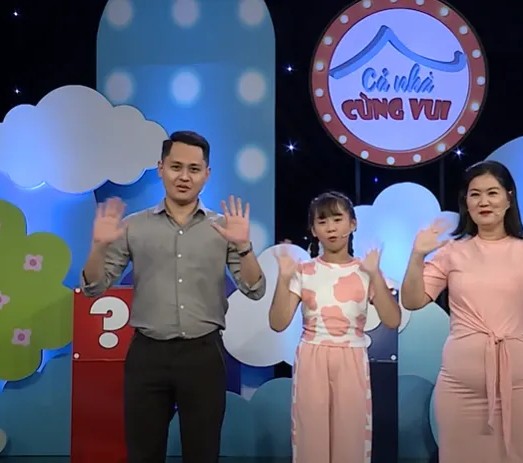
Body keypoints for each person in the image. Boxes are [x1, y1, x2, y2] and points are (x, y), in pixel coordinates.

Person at [80, 131, 266, 463]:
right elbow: (94, 287)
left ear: (207, 174)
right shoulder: (134, 226)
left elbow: (255, 289)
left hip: (203, 354)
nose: (184, 176)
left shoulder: (224, 228)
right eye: (176, 166)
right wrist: (98, 247)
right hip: (147, 354)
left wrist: (244, 246)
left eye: (194, 169)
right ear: (160, 168)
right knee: (143, 453)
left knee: (202, 453)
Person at [401, 161, 523, 463]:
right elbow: (412, 300)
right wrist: (417, 256)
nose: (484, 201)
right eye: (475, 194)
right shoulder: (453, 252)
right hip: (460, 388)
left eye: (492, 193)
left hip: (520, 385)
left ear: (509, 198)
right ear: (466, 203)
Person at [269, 192, 402, 463]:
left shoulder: (366, 270)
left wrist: (375, 275)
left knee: (351, 433)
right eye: (322, 221)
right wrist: (283, 280)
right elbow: (278, 323)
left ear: (352, 224)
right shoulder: (303, 271)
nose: (330, 228)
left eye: (338, 219)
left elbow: (392, 320)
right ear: (313, 229)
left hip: (352, 356)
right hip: (312, 355)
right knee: (310, 432)